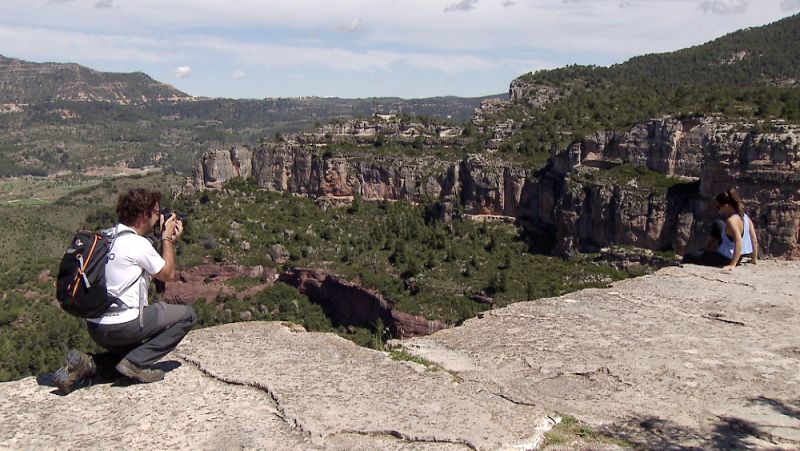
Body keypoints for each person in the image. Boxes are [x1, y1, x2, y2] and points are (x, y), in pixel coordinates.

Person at [54, 188, 196, 394]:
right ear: (144, 214)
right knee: (187, 316)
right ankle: (136, 363)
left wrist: (165, 240)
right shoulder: (136, 243)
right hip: (124, 327)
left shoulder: (106, 236)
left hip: (96, 327)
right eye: (156, 213)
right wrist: (167, 240)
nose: (158, 218)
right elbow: (167, 274)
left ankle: (88, 365)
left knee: (127, 357)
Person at [682, 188, 759, 271]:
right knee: (717, 223)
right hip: (740, 256)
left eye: (719, 206)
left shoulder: (731, 221)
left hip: (726, 257)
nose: (718, 209)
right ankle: (705, 250)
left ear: (726, 206)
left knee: (688, 257)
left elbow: (738, 241)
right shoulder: (745, 217)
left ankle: (704, 254)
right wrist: (754, 259)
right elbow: (754, 239)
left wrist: (732, 265)